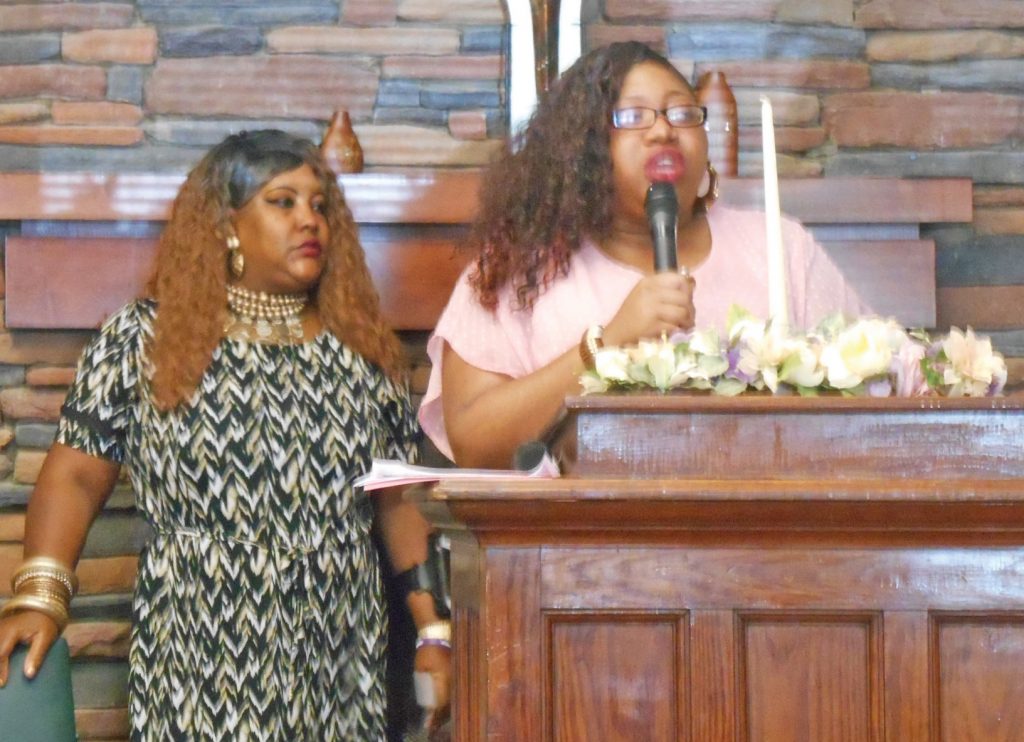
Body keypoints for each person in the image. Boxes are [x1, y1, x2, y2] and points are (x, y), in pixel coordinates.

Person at [0, 130, 450, 740]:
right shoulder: (143, 339)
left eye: (319, 206)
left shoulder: (363, 351)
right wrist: (40, 598)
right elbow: (76, 476)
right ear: (226, 225)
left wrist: (433, 631)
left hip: (339, 656)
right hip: (199, 650)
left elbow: (397, 502)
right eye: (282, 202)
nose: (309, 220)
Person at [419, 41, 869, 468]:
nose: (663, 130)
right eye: (633, 116)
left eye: (682, 113)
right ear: (582, 147)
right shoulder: (519, 264)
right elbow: (475, 442)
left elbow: (877, 386)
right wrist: (608, 344)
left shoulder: (780, 246)